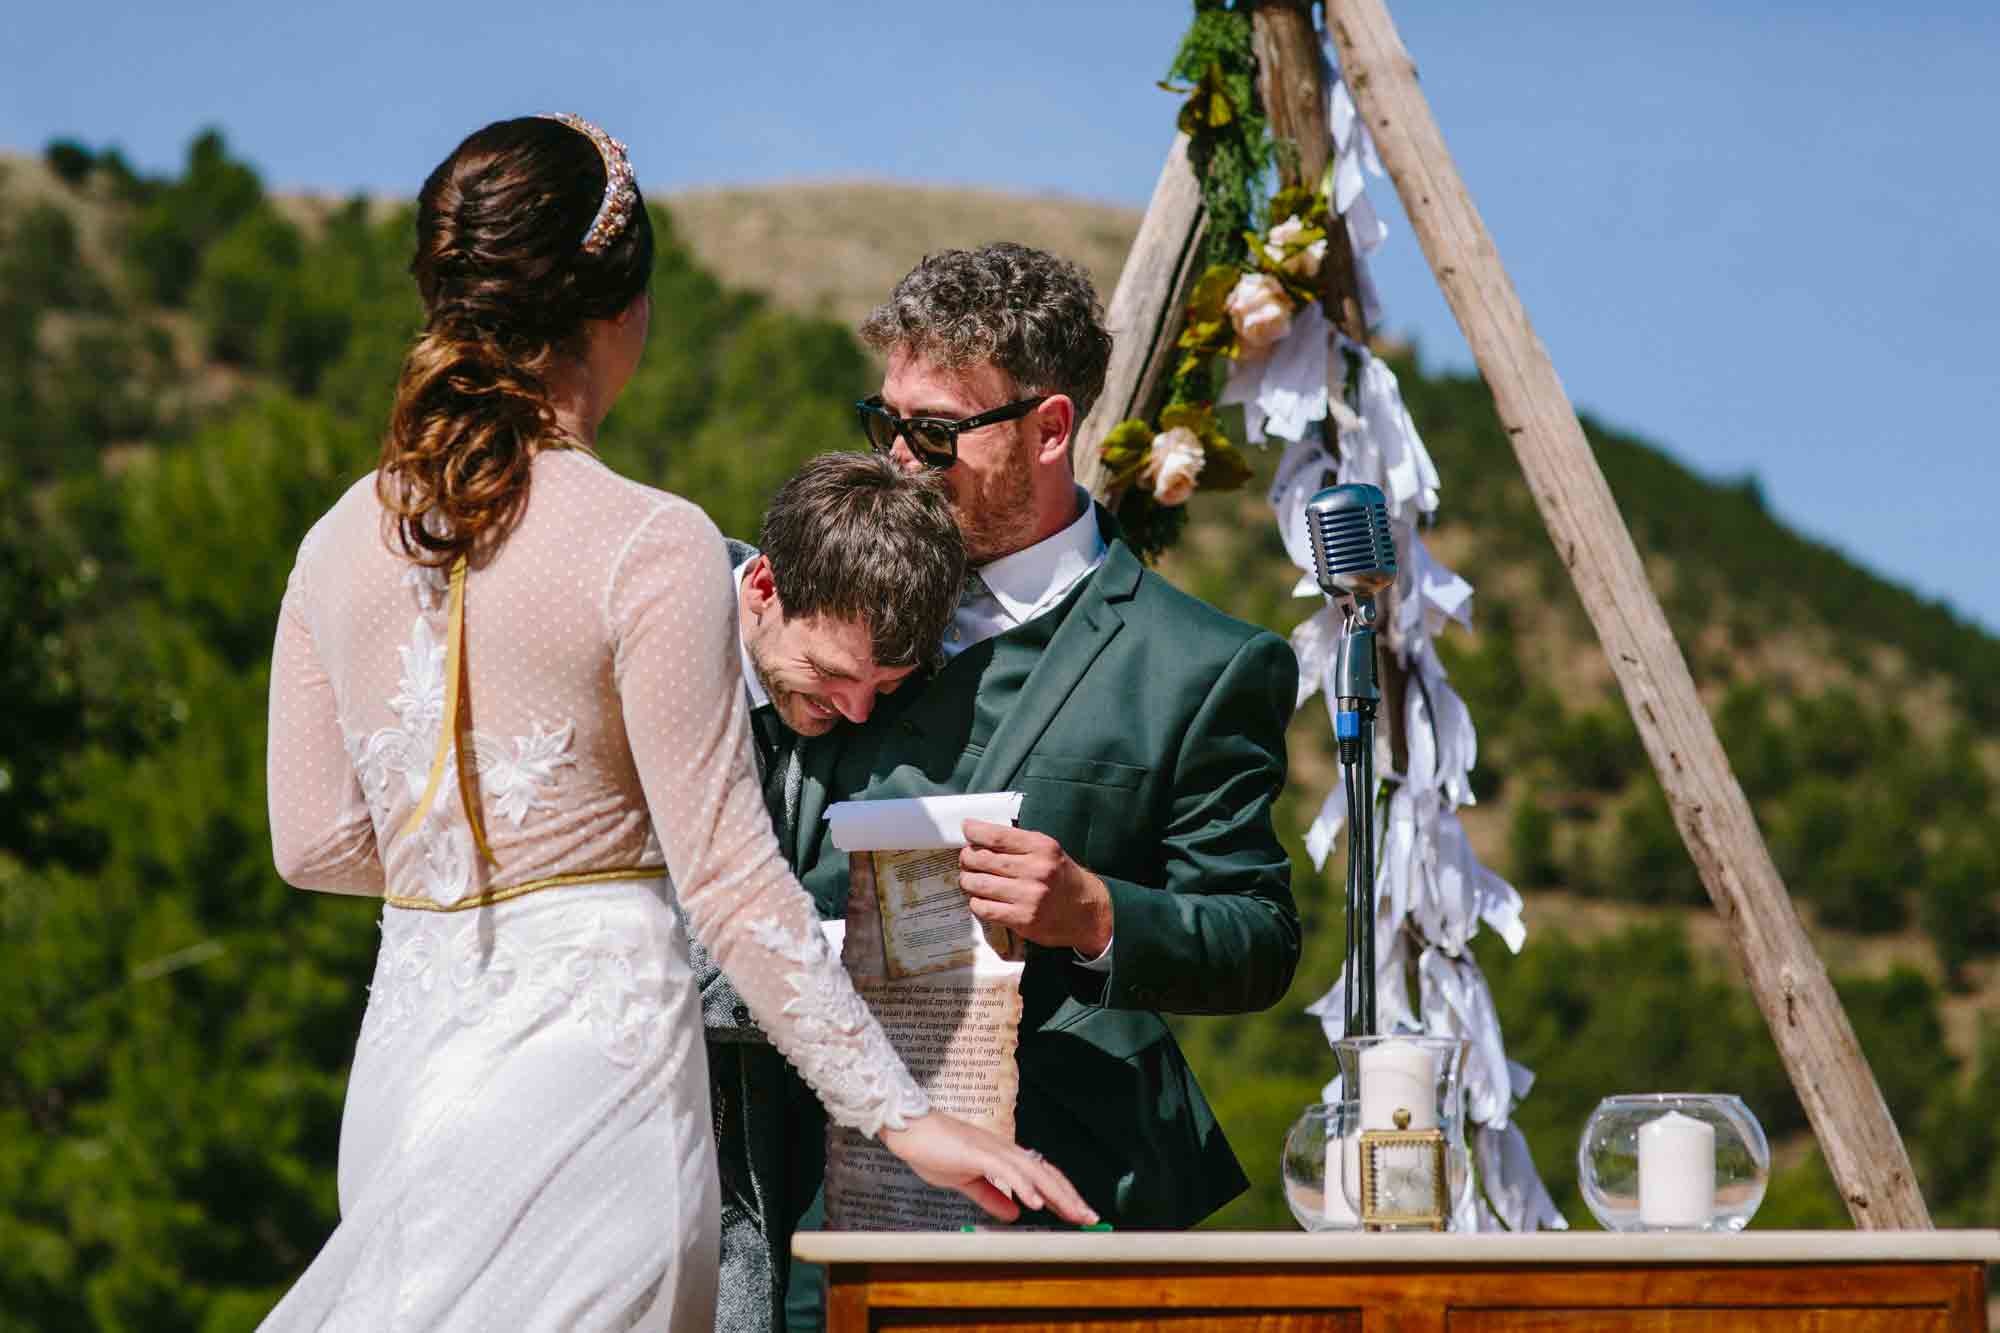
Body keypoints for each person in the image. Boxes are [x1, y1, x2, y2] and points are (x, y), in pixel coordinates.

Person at [259, 117, 1089, 1332]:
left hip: (408, 1078)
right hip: (598, 1090)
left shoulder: (337, 540)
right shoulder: (650, 542)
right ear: (623, 310)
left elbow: (314, 845)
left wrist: (498, 859)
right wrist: (908, 1118)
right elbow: (733, 887)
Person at [775, 242, 1303, 1324]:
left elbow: (1257, 935)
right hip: (793, 1193)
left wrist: (1096, 912)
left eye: (934, 434)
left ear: (1050, 428)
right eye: (886, 425)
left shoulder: (1198, 665)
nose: (901, 461)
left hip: (1050, 1199)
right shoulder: (812, 586)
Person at [695, 453, 963, 1332]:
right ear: (764, 586)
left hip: (766, 1183)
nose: (854, 711)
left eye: (883, 688)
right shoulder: (654, 648)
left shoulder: (835, 680)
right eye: (832, 674)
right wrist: (850, 954)